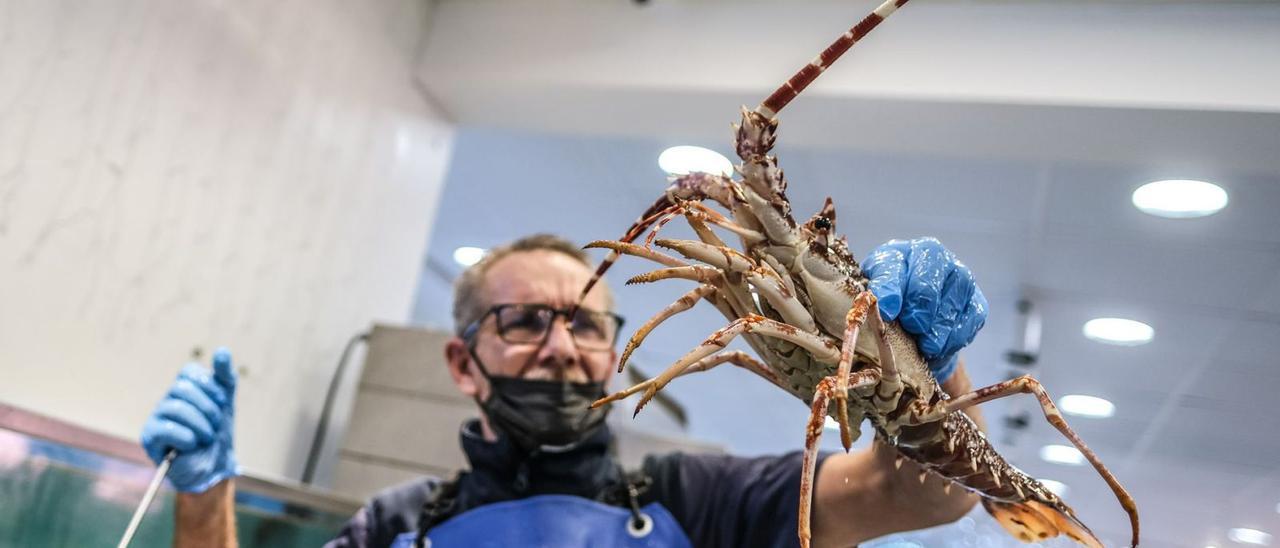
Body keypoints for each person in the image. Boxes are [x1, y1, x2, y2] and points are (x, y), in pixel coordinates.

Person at [141, 234, 989, 547]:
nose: (560, 346)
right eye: (523, 320)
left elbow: (925, 496)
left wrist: (923, 359)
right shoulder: (397, 525)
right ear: (462, 362)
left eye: (586, 325)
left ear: (617, 354)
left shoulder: (709, 500)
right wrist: (205, 497)